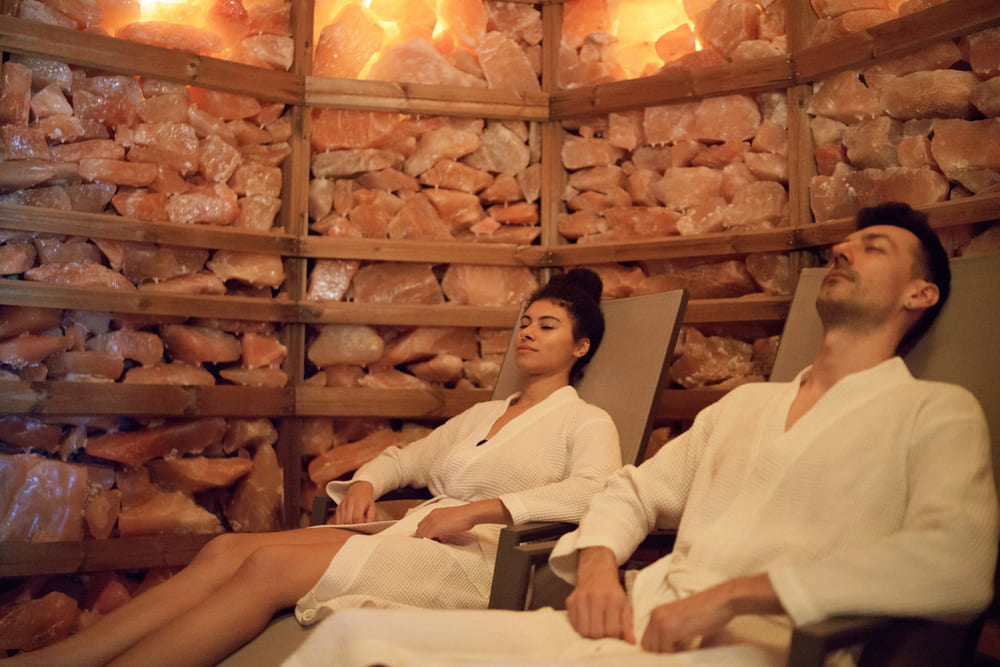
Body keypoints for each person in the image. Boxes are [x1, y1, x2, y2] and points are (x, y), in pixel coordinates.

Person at [281, 202, 999, 667]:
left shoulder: (934, 412)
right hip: (629, 622)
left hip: (756, 647)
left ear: (919, 293)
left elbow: (957, 562)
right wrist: (595, 567)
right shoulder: (745, 405)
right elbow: (631, 489)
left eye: (870, 247)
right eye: (842, 242)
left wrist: (738, 595)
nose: (841, 249)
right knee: (350, 639)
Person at [5, 268, 623, 667]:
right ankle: (63, 660)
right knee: (224, 553)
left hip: (484, 561)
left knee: (268, 566)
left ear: (581, 345)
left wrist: (483, 509)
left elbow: (597, 493)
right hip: (418, 534)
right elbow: (404, 458)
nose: (529, 334)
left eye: (548, 325)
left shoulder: (585, 421)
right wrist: (365, 482)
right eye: (526, 322)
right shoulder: (487, 413)